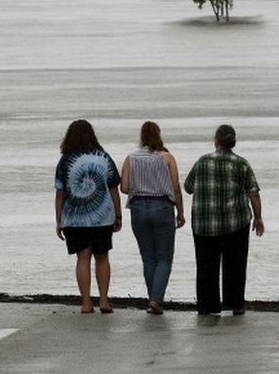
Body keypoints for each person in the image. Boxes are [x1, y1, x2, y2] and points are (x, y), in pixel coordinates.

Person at [183, 125, 264, 316]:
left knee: (205, 266)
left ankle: (207, 306)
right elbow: (254, 193)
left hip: (204, 224)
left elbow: (188, 187)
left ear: (216, 141)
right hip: (235, 222)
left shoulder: (202, 161)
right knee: (235, 264)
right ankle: (235, 304)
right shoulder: (241, 163)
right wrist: (258, 217)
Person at [54, 120, 123, 314]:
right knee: (102, 257)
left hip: (75, 220)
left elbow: (60, 193)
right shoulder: (104, 157)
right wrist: (118, 216)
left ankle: (86, 303)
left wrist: (58, 220)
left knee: (82, 258)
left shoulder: (65, 160)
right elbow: (113, 189)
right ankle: (103, 301)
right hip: (103, 218)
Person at [120, 121, 185, 315]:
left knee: (148, 257)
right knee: (164, 257)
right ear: (158, 135)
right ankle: (156, 299)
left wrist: (140, 187)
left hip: (138, 207)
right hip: (163, 207)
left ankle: (153, 299)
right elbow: (175, 188)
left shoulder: (130, 158)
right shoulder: (167, 158)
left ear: (141, 136)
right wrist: (180, 212)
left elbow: (123, 188)